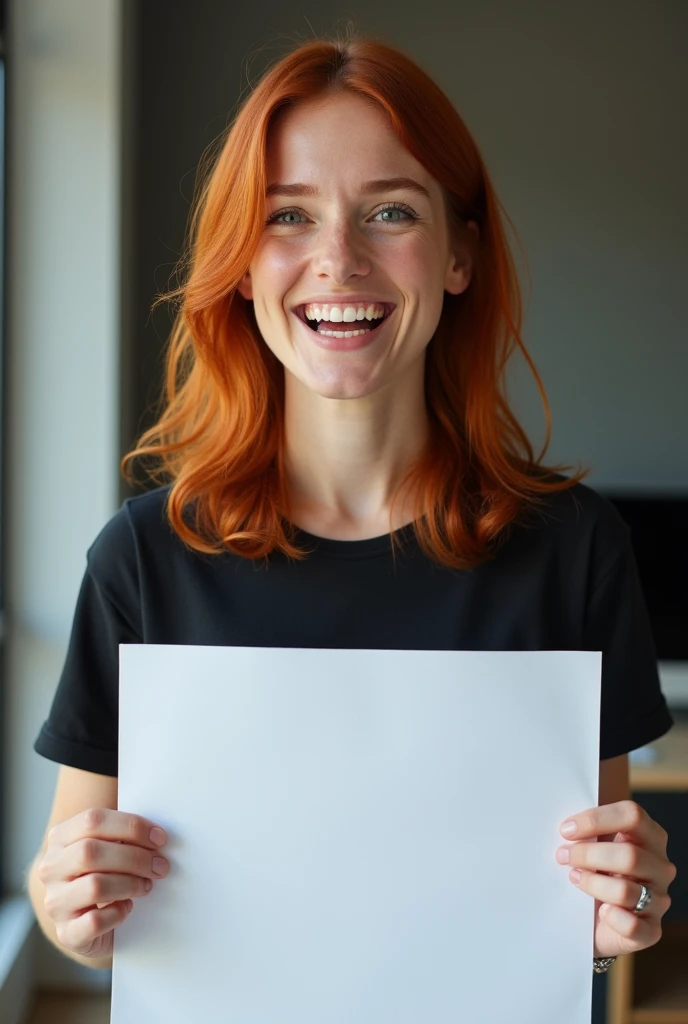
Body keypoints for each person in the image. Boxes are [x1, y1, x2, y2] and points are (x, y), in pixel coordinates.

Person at [27, 31, 676, 980]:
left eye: (391, 212)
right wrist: (71, 912)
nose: (337, 258)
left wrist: (626, 908)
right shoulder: (143, 557)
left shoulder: (575, 550)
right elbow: (72, 899)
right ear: (242, 266)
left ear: (460, 253)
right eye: (288, 216)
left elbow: (590, 914)